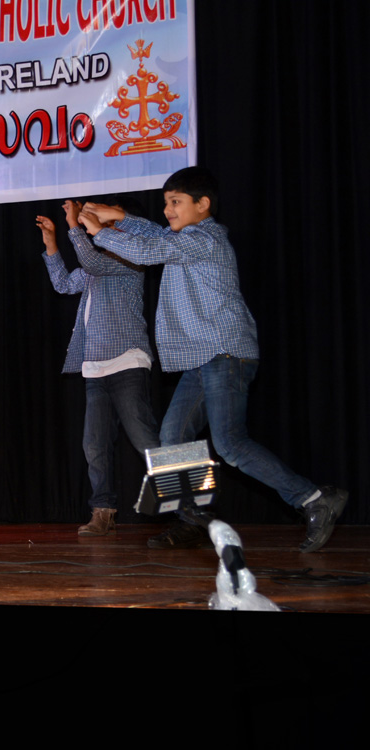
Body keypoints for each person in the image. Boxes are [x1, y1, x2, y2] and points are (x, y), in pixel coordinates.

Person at [82, 167, 347, 551]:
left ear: (203, 204)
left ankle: (314, 498)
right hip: (204, 359)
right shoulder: (184, 237)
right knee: (173, 439)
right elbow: (156, 235)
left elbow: (148, 249)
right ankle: (194, 518)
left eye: (176, 202)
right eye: (166, 202)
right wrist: (119, 216)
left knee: (230, 444)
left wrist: (100, 231)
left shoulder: (204, 238)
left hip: (225, 354)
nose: (168, 210)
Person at [36, 200, 160, 536]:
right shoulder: (95, 266)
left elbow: (90, 259)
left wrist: (74, 225)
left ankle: (188, 506)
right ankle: (103, 511)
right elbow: (63, 283)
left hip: (127, 361)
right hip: (94, 367)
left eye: (111, 222)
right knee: (94, 445)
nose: (103, 226)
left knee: (144, 438)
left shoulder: (130, 259)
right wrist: (51, 241)